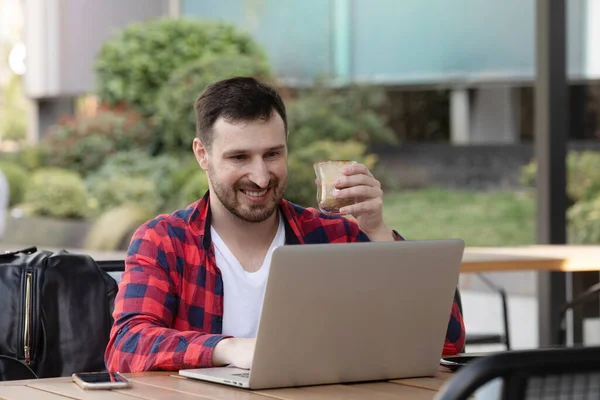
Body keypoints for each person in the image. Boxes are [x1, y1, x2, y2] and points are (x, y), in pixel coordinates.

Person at [105, 77, 465, 373]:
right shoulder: (164, 240)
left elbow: (447, 342)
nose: (261, 178)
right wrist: (230, 349)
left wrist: (378, 232)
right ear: (203, 154)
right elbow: (126, 346)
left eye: (272, 154)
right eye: (239, 157)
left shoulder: (334, 235)